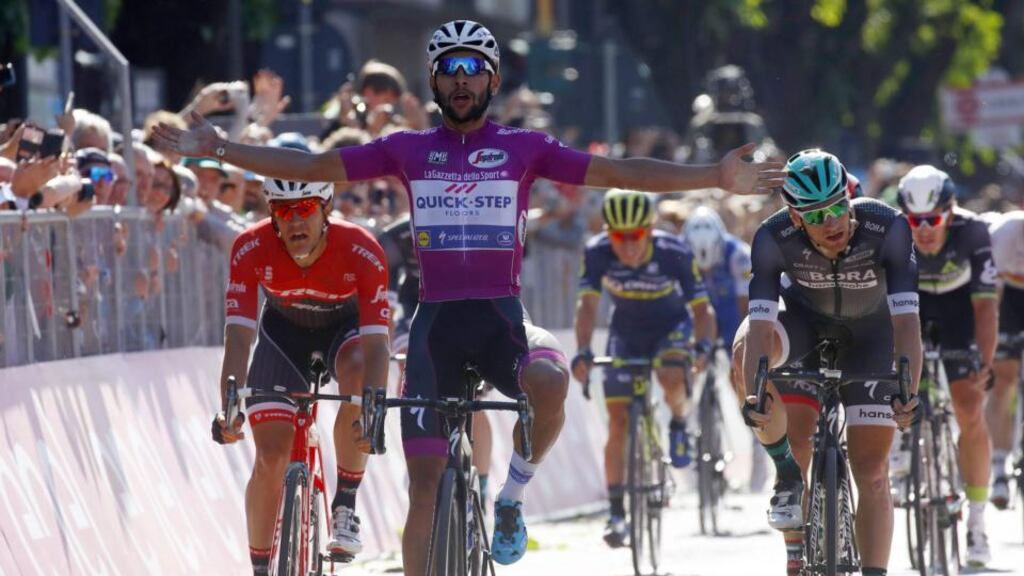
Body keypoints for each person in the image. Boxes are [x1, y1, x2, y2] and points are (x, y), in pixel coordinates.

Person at [151, 19, 783, 573]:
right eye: (448, 70)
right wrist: (224, 150)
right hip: (435, 330)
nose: (460, 80)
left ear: (492, 80)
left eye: (472, 70)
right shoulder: (408, 150)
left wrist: (712, 176)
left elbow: (617, 173)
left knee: (551, 382)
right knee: (423, 486)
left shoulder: (523, 149)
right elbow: (315, 169)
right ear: (432, 82)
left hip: (502, 320)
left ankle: (509, 498)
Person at [732, 149, 922, 576]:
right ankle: (786, 476)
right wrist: (753, 392)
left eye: (837, 206)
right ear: (795, 218)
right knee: (747, 348)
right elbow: (762, 326)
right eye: (816, 216)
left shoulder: (886, 226)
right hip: (804, 327)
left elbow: (907, 323)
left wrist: (909, 390)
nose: (831, 222)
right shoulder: (771, 237)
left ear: (848, 198)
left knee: (872, 472)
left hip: (873, 334)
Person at [209, 178, 391, 576]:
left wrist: (373, 407)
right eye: (284, 210)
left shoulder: (362, 249)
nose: (295, 221)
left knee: (359, 376)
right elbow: (238, 333)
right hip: (282, 336)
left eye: (305, 208)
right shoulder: (250, 246)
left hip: (344, 332)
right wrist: (229, 404)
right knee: (270, 458)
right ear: (272, 214)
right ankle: (260, 568)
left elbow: (379, 343)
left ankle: (345, 504)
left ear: (325, 209)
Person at [571, 189, 714, 547]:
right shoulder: (597, 251)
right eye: (619, 236)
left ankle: (680, 422)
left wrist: (703, 347)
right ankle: (617, 512)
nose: (628, 245)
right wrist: (584, 350)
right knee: (618, 421)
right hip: (627, 330)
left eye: (636, 236)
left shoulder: (673, 252)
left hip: (672, 326)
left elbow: (702, 310)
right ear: (609, 233)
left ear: (649, 231)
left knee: (669, 373)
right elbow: (587, 307)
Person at [895, 165, 998, 567]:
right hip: (914, 308)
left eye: (934, 219)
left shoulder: (973, 232)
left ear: (950, 212)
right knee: (905, 381)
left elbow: (987, 308)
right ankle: (905, 442)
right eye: (915, 221)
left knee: (970, 409)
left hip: (961, 311)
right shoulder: (895, 232)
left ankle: (975, 521)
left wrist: (984, 364)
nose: (924, 229)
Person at [986, 210, 1024, 510]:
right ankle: (998, 466)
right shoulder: (1007, 231)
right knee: (1005, 379)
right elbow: (991, 297)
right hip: (1007, 296)